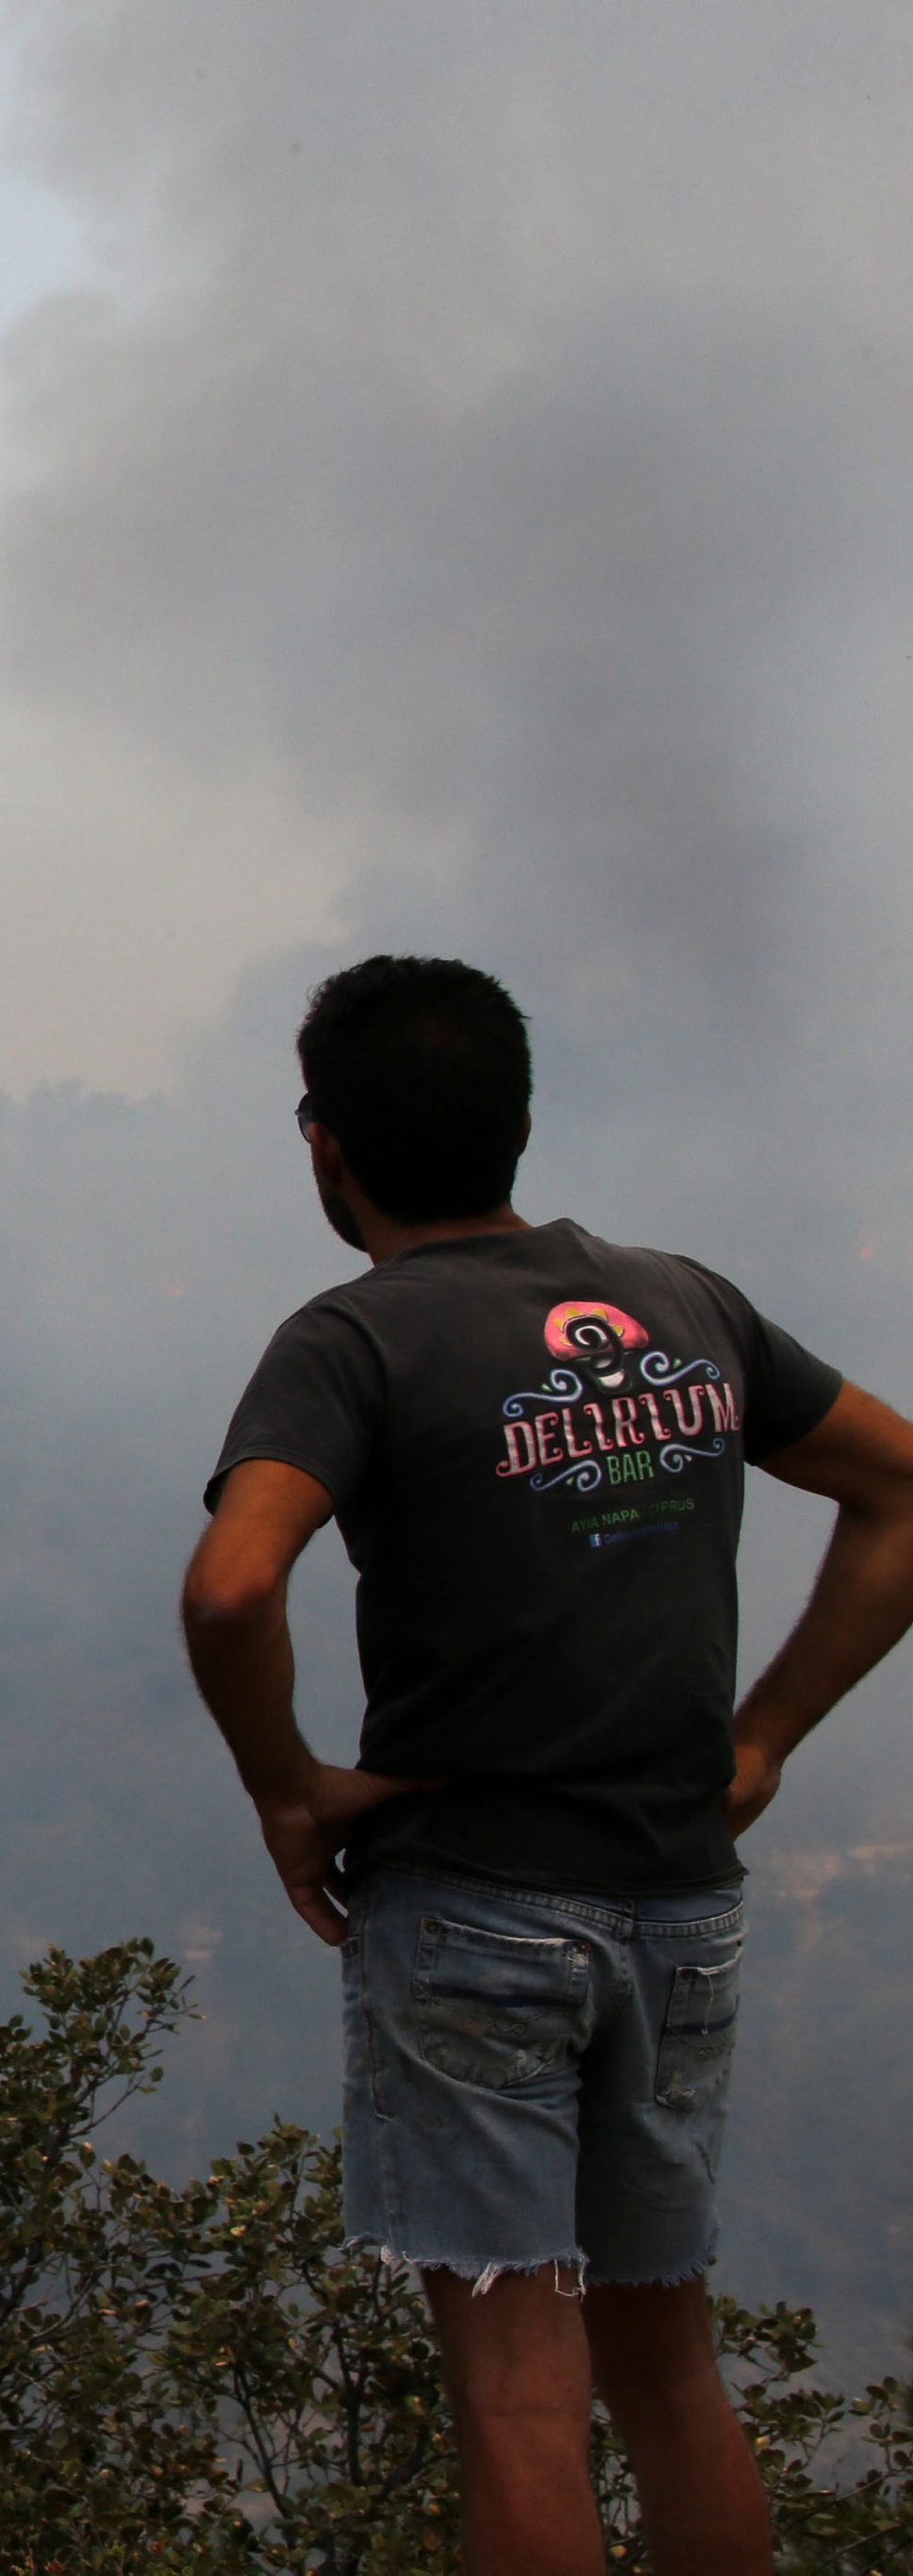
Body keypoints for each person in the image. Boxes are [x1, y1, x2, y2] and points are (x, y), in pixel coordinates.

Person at [183, 954, 913, 2576]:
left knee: (519, 2397)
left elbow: (234, 1582)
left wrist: (285, 1788)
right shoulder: (683, 1302)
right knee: (668, 2364)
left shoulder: (353, 1341)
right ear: (517, 1122)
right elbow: (900, 1488)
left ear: (326, 1146)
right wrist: (764, 1736)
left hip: (474, 1909)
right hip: (678, 1904)